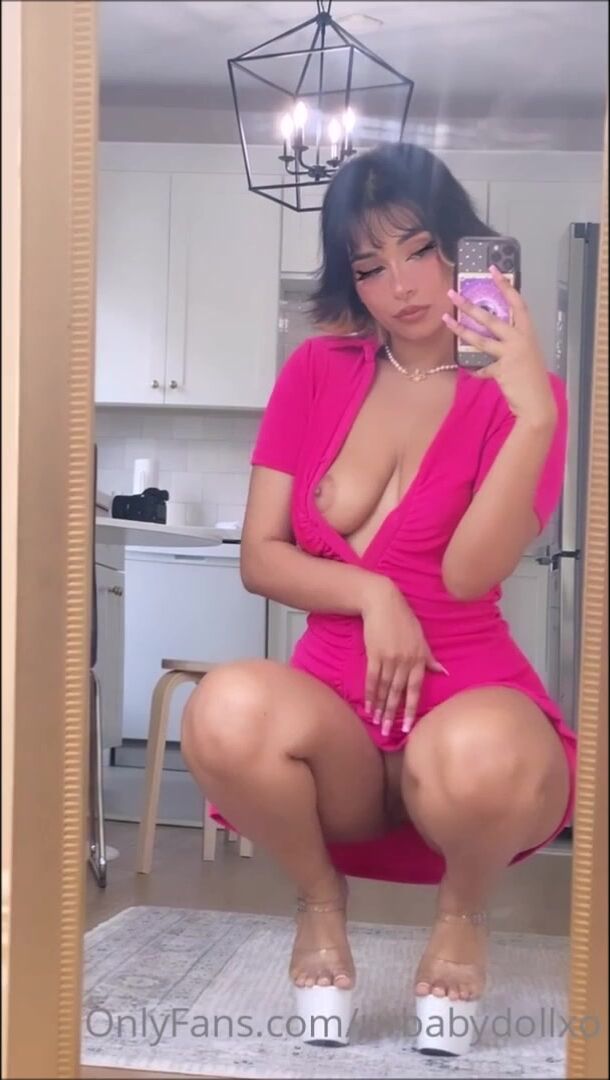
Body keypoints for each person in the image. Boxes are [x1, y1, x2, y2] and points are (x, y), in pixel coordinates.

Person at [181, 142, 576, 1051]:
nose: (400, 285)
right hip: (333, 724)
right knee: (225, 708)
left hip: (468, 710)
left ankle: (462, 915)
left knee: (480, 750)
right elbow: (261, 557)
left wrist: (534, 416)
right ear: (349, 280)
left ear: (465, 247)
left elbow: (470, 575)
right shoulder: (317, 372)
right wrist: (371, 593)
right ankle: (320, 902)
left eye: (420, 249)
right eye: (369, 265)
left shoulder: (531, 400)